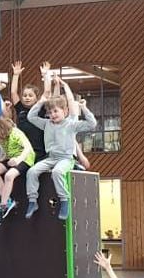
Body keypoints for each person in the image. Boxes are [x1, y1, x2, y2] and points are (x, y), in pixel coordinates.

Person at [24, 65, 97, 220]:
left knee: (57, 172)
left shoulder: (71, 124)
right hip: (51, 158)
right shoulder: (46, 124)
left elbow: (92, 124)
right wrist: (41, 102)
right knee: (32, 172)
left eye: (56, 111)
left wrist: (84, 108)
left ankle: (64, 200)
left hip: (66, 158)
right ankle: (32, 201)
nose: (52, 114)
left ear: (65, 111)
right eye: (50, 112)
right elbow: (31, 117)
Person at [0, 115, 34, 224]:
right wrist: (2, 159)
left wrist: (18, 159)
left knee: (9, 175)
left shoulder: (15, 133)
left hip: (25, 159)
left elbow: (28, 148)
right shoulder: (3, 139)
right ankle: (7, 200)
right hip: (11, 159)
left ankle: (3, 205)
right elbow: (9, 151)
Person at [7, 61, 47, 160]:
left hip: (39, 149)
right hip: (23, 149)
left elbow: (47, 92)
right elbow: (13, 92)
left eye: (30, 95)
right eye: (25, 96)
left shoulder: (41, 108)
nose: (27, 98)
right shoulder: (20, 108)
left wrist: (45, 75)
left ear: (36, 98)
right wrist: (16, 75)